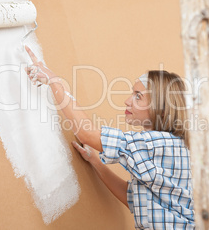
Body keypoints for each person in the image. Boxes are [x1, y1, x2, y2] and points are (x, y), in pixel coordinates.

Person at [24, 46, 195, 229]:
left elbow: (86, 133)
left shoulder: (155, 143)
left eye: (138, 96)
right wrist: (96, 162)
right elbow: (135, 201)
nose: (128, 101)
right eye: (132, 93)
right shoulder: (172, 144)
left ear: (159, 106)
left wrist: (54, 81)